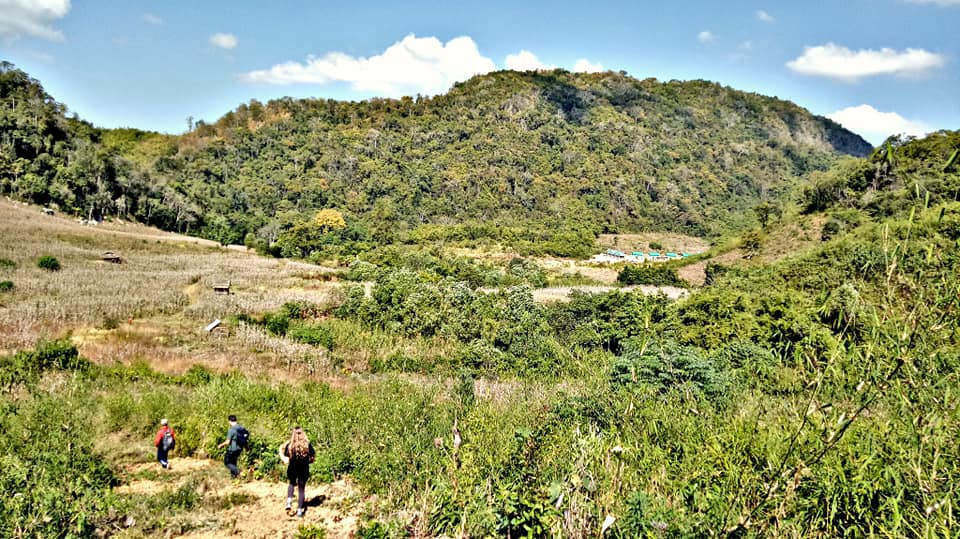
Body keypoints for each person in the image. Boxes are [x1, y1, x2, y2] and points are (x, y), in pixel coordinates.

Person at [279, 426, 315, 517]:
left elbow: (286, 455)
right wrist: (309, 460)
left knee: (291, 483)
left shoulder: (290, 445)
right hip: (303, 469)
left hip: (292, 468)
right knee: (301, 489)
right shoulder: (307, 445)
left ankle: (289, 502)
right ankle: (299, 511)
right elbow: (313, 456)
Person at [217, 414, 244, 478]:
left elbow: (228, 442)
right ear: (236, 420)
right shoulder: (241, 428)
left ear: (229, 421)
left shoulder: (231, 429)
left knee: (227, 462)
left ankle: (238, 472)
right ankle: (233, 478)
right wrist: (247, 447)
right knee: (233, 463)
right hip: (239, 449)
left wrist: (220, 445)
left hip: (233, 449)